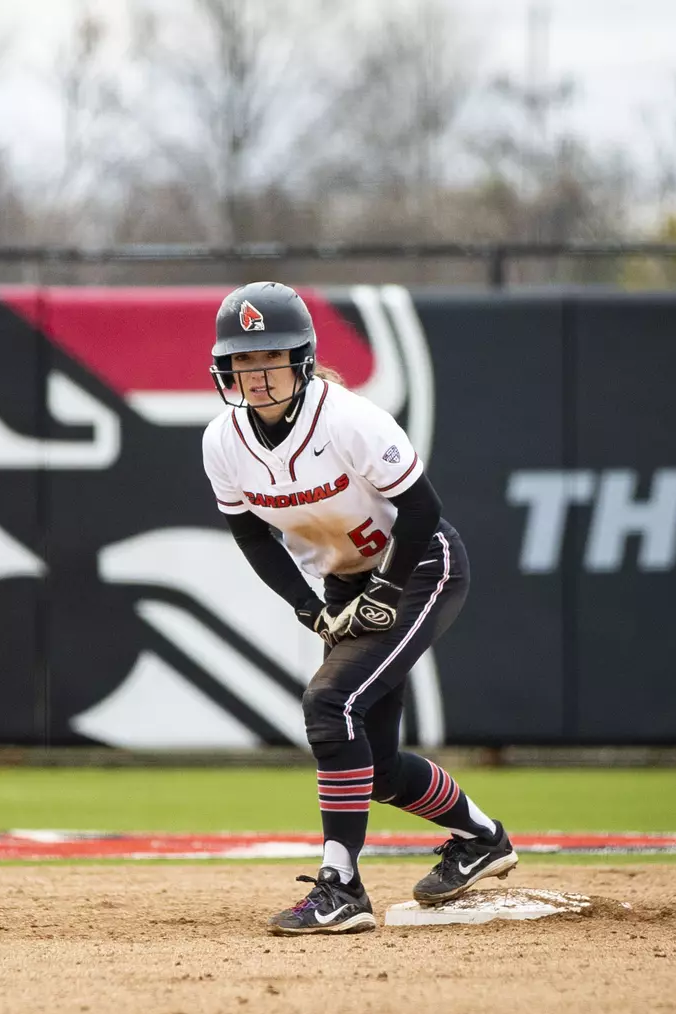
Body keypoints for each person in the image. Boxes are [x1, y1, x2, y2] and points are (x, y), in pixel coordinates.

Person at [200, 282, 517, 935]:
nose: (256, 376)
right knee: (369, 764)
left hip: (420, 565)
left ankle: (340, 885)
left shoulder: (348, 419)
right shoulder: (222, 441)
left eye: (271, 358)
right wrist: (307, 608)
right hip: (344, 582)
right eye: (242, 362)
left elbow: (421, 510)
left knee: (327, 705)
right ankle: (482, 838)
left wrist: (384, 592)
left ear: (303, 358)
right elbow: (250, 536)